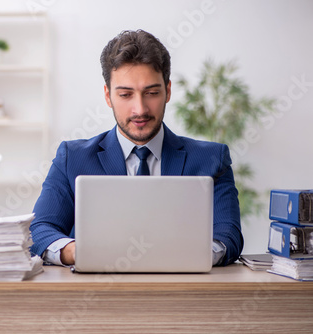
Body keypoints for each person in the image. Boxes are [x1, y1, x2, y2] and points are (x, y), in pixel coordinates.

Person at [29, 29, 243, 267]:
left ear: (168, 91)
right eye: (125, 94)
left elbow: (228, 236)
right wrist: (78, 252)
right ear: (108, 96)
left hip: (181, 296)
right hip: (98, 295)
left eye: (151, 93)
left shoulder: (212, 159)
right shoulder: (73, 158)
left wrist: (189, 255)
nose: (139, 109)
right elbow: (39, 230)